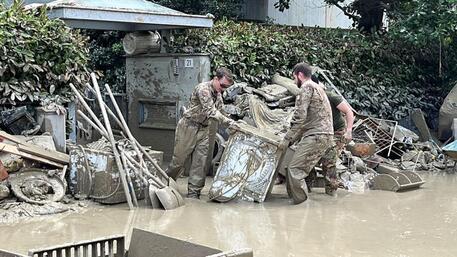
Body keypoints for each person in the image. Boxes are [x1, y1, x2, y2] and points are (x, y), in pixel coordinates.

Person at [166, 67, 236, 199]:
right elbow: (211, 111)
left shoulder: (218, 94)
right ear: (215, 79)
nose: (223, 89)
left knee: (200, 163)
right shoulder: (203, 89)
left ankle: (194, 194)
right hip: (188, 127)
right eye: (222, 85)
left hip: (204, 129)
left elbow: (221, 112)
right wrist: (229, 122)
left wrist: (233, 124)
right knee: (179, 161)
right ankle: (165, 184)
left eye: (226, 87)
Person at [279, 62, 337, 204]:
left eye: (294, 78)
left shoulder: (306, 87)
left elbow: (300, 117)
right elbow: (306, 123)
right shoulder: (319, 88)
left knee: (294, 169)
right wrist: (293, 139)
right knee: (293, 167)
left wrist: (286, 139)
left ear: (299, 75)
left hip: (317, 136)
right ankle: (295, 199)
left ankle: (302, 205)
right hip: (323, 135)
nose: (294, 81)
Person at [304, 75, 355, 193]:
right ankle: (307, 187)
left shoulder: (330, 96)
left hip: (337, 131)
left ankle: (331, 190)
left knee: (328, 159)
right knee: (308, 156)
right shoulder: (307, 98)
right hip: (321, 131)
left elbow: (349, 111)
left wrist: (349, 130)